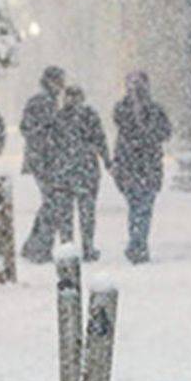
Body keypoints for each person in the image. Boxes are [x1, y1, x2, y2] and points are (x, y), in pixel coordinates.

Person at [112, 72, 172, 264]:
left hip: (138, 166)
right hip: (140, 166)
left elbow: (164, 132)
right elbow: (164, 133)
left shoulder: (132, 110)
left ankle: (137, 243)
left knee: (138, 207)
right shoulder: (142, 110)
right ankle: (138, 244)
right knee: (141, 208)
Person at [54, 87, 111, 261]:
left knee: (66, 214)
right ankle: (87, 247)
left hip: (64, 171)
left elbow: (51, 144)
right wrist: (107, 160)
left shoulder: (59, 117)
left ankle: (67, 248)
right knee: (86, 212)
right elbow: (100, 139)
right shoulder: (89, 115)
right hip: (86, 170)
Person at [20, 66, 67, 263]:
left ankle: (34, 245)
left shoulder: (46, 101)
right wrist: (46, 142)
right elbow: (31, 128)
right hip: (44, 161)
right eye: (60, 81)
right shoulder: (44, 101)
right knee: (52, 204)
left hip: (43, 159)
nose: (62, 86)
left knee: (50, 204)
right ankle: (39, 247)